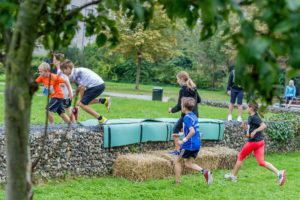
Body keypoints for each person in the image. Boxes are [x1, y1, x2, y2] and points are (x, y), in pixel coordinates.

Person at [224, 102, 286, 186]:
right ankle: (279, 173)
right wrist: (246, 128)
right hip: (260, 142)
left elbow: (263, 125)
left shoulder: (254, 117)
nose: (246, 109)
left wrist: (255, 131)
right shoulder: (251, 117)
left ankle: (233, 176)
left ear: (251, 108)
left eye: (247, 107)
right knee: (261, 162)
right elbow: (251, 129)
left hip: (254, 143)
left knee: (240, 156)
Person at [173, 97, 213, 186]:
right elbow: (188, 132)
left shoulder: (186, 118)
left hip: (189, 145)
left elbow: (192, 131)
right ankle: (205, 172)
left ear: (183, 107)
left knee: (177, 161)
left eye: (181, 105)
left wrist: (182, 141)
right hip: (196, 144)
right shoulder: (194, 116)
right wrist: (179, 135)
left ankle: (178, 182)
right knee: (188, 163)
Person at [60, 59, 111, 124]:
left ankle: (101, 119)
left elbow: (82, 87)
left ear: (68, 68)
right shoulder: (75, 72)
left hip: (97, 86)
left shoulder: (75, 74)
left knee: (82, 104)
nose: (63, 72)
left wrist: (81, 100)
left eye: (63, 70)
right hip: (97, 85)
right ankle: (104, 101)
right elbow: (80, 86)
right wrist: (76, 93)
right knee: (84, 102)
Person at [168, 71, 201, 155]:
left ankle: (178, 151)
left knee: (176, 128)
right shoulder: (193, 88)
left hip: (186, 115)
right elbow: (199, 100)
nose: (177, 81)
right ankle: (187, 147)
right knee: (186, 130)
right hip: (195, 115)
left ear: (182, 79)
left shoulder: (183, 89)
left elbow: (180, 105)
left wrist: (172, 110)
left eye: (178, 79)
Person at [52, 53, 76, 122]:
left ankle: (74, 125)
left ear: (58, 61)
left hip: (66, 94)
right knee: (65, 109)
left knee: (67, 109)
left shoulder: (60, 71)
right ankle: (73, 120)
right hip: (65, 93)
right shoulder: (59, 69)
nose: (53, 61)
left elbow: (62, 84)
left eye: (54, 59)